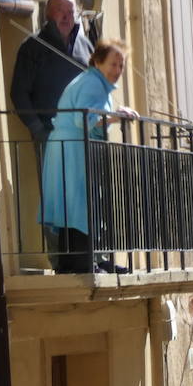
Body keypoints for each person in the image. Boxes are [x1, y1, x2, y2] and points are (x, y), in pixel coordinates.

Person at [40, 38, 139, 274]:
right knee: (80, 205)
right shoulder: (92, 84)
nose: (117, 70)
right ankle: (83, 263)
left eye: (121, 66)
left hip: (70, 147)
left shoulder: (94, 82)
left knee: (74, 206)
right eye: (113, 64)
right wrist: (116, 116)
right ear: (98, 61)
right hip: (73, 148)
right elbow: (84, 118)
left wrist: (113, 115)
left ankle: (82, 261)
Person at [9, 0, 92, 155]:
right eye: (60, 10)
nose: (67, 17)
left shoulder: (85, 45)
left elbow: (98, 83)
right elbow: (18, 92)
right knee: (55, 181)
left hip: (86, 135)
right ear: (48, 14)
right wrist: (38, 129)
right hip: (51, 136)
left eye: (71, 11)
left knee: (85, 181)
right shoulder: (32, 47)